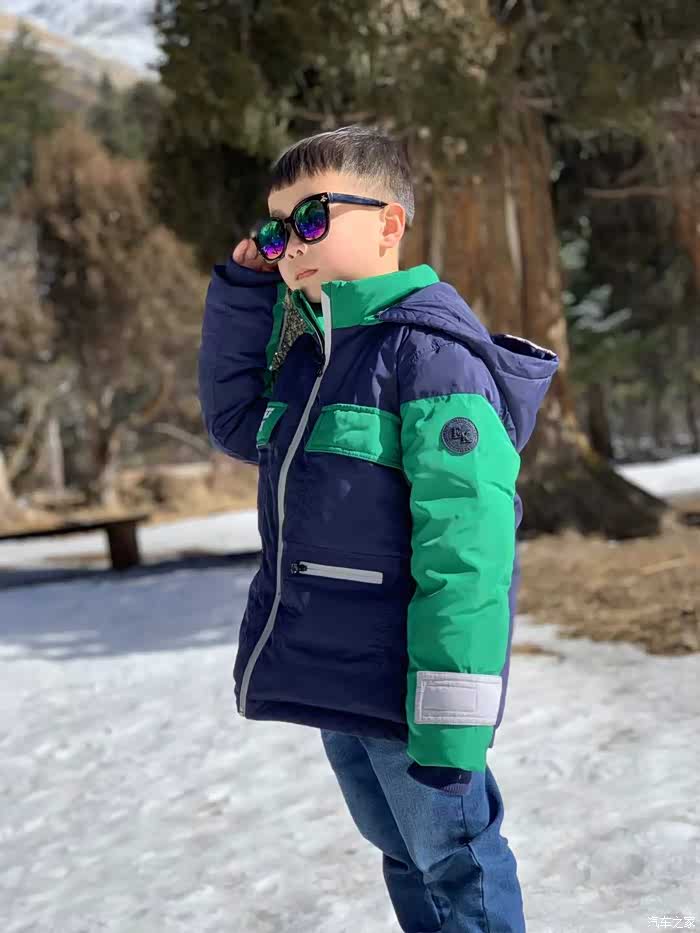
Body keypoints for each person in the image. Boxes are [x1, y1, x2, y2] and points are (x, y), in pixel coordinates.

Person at [198, 124, 559, 932]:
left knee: (456, 863)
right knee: (402, 853)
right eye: (276, 229)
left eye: (312, 217)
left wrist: (452, 720)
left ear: (390, 223)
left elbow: (468, 557)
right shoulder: (316, 358)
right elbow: (235, 424)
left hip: (408, 690)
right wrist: (246, 292)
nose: (291, 244)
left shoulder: (432, 359)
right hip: (339, 682)